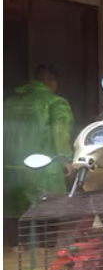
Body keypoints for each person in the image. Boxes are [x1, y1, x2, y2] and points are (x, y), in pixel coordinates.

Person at [3, 65, 74, 246]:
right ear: (51, 82)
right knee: (46, 223)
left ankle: (14, 262)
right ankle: (42, 265)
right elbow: (60, 132)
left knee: (14, 224)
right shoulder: (56, 103)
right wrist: (66, 159)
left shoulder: (8, 103)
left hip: (10, 174)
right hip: (43, 174)